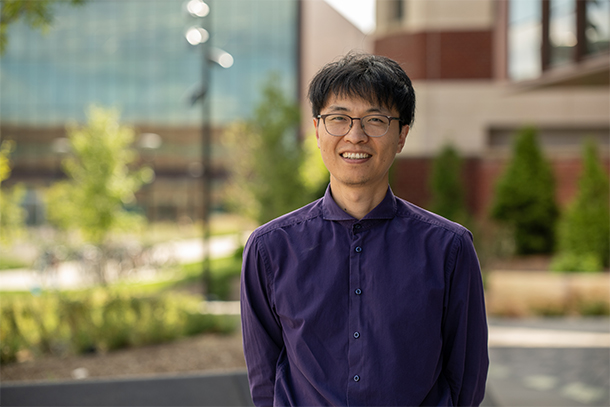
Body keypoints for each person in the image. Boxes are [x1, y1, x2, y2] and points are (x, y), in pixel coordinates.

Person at [240, 52, 489, 407]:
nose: (355, 136)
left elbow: (466, 377)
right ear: (316, 130)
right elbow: (264, 380)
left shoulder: (449, 248)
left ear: (401, 135)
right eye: (338, 119)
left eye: (375, 120)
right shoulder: (270, 249)